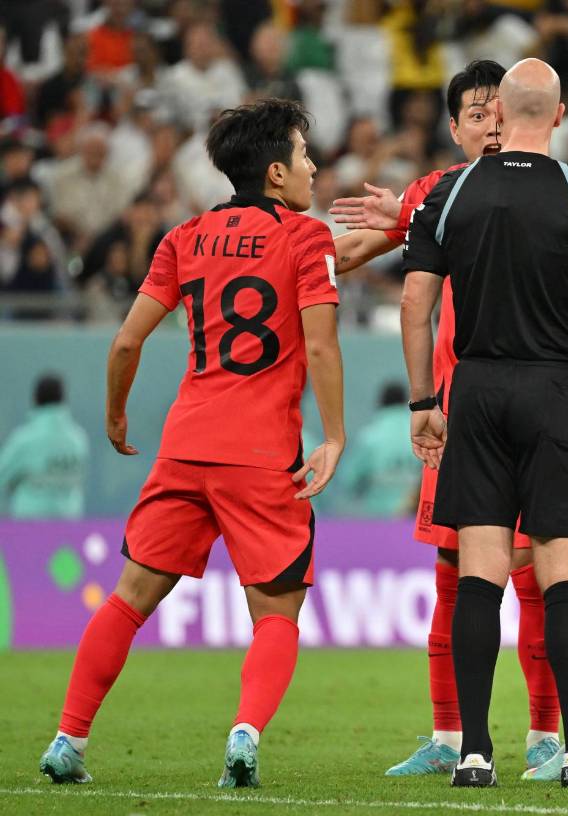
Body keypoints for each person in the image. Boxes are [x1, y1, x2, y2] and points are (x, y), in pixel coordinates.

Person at [38, 99, 345, 789]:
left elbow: (127, 340)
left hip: (185, 444)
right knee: (276, 612)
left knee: (129, 597)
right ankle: (243, 734)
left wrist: (117, 414)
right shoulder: (306, 239)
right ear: (274, 172)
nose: (313, 166)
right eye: (303, 154)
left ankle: (68, 739)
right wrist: (334, 434)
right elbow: (321, 345)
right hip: (263, 453)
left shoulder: (184, 238)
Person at [402, 58, 568, 790]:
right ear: (561, 111)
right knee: (562, 574)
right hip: (553, 392)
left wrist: (424, 401)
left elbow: (417, 304)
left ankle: (474, 753)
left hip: (473, 388)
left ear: (500, 113)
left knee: (478, 577)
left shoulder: (451, 190)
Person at [329, 60, 568, 781]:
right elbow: (350, 255)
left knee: (535, 576)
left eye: (499, 110)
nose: (490, 123)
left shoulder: (556, 192)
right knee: (449, 572)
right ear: (457, 127)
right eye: (474, 113)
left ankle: (546, 736)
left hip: (535, 401)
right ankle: (447, 735)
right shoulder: (437, 193)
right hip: (462, 409)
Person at [0, 374, 89, 518]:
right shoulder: (78, 439)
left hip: (30, 523)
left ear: (35, 399)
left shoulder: (24, 439)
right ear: (63, 399)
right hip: (69, 521)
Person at [339, 382, 420, 516]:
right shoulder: (421, 433)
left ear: (380, 403)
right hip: (417, 519)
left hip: (378, 522)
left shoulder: (369, 436)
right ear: (406, 402)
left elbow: (349, 481)